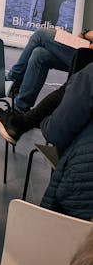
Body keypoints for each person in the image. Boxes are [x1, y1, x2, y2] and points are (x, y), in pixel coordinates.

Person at [39, 63, 93, 220]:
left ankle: (22, 121)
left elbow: (55, 133)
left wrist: (45, 122)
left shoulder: (88, 76)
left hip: (82, 192)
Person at [2, 27, 92, 112]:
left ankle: (12, 81)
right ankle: (20, 107)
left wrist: (86, 33)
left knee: (40, 34)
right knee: (39, 54)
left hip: (88, 56)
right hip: (87, 50)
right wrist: (85, 34)